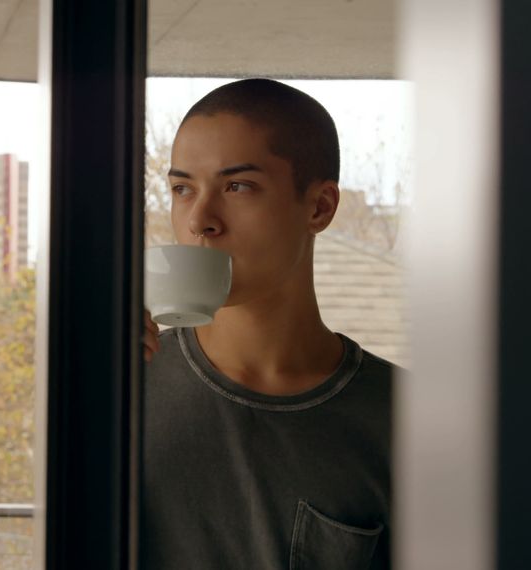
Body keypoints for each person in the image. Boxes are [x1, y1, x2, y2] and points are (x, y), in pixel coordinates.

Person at [141, 78, 396, 569]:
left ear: (319, 207)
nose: (199, 220)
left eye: (238, 186)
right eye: (181, 189)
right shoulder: (121, 387)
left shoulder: (408, 421)